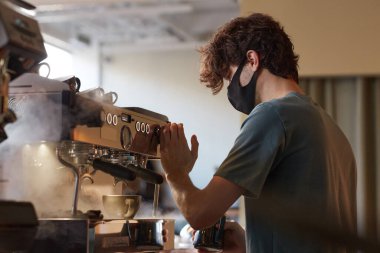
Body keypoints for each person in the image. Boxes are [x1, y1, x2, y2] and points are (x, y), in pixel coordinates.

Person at [159, 13, 357, 253]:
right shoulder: (331, 129)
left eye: (230, 77)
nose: (231, 91)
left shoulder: (272, 115)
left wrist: (174, 171)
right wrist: (249, 243)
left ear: (252, 60)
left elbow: (200, 214)